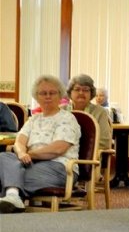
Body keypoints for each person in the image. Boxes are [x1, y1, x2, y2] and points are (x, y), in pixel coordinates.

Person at [0, 75, 81, 213]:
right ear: (37, 97)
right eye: (43, 93)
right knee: (4, 156)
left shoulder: (67, 118)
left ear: (60, 95)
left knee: (9, 175)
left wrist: (28, 154)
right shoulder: (33, 119)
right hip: (30, 163)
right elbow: (19, 142)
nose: (47, 96)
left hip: (59, 167)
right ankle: (13, 196)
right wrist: (21, 152)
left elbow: (57, 149)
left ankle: (12, 194)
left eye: (52, 93)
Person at [64, 74, 112, 150]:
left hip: (89, 157)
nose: (81, 93)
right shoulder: (61, 110)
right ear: (70, 92)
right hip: (60, 154)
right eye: (77, 89)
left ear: (91, 93)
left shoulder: (100, 112)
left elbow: (104, 142)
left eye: (85, 90)